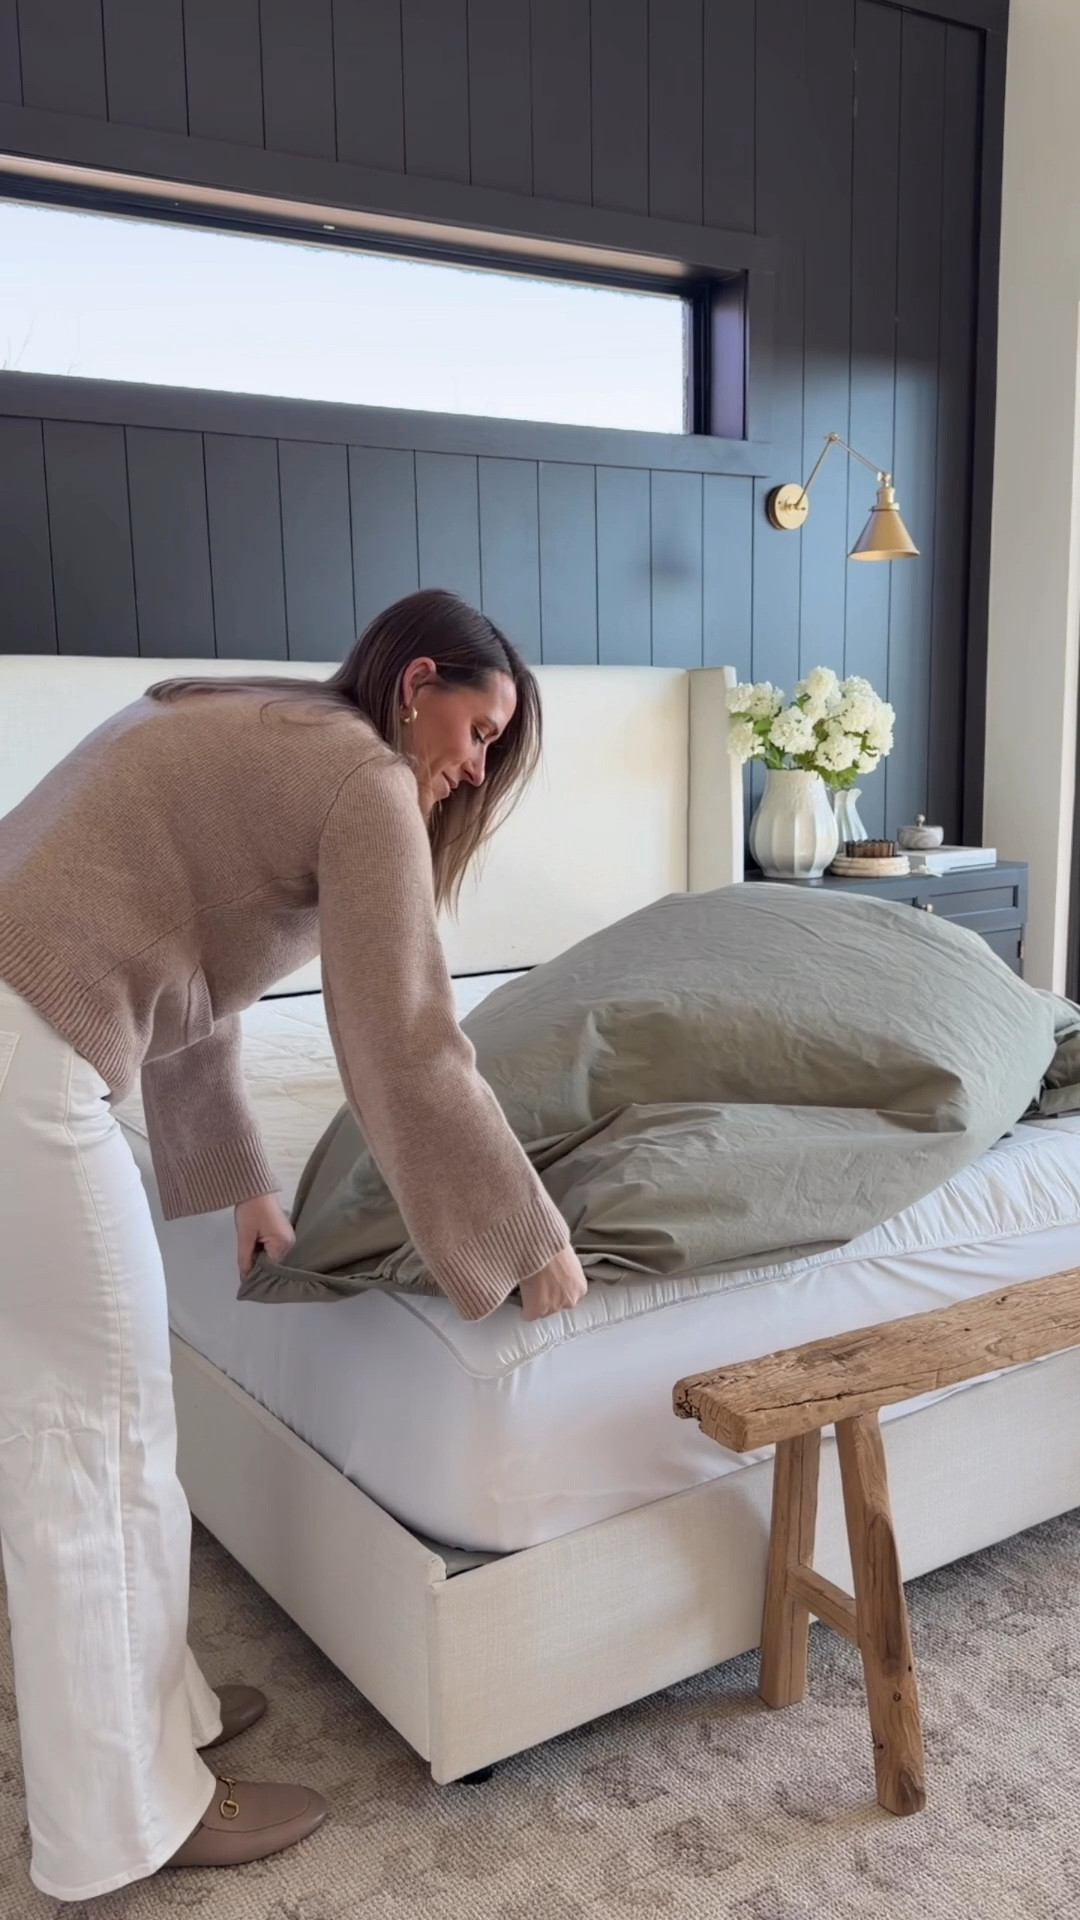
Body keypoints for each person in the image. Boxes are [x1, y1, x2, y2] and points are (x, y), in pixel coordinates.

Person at [0, 588, 588, 1902]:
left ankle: (170, 1724)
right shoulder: (364, 777)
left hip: (21, 1025)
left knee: (107, 1423)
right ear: (418, 678)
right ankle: (127, 1825)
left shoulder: (248, 714)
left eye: (495, 751)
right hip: (23, 1051)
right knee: (90, 1443)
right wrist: (523, 1233)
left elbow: (187, 969)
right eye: (479, 728)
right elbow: (406, 1037)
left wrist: (241, 1186)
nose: (473, 765)